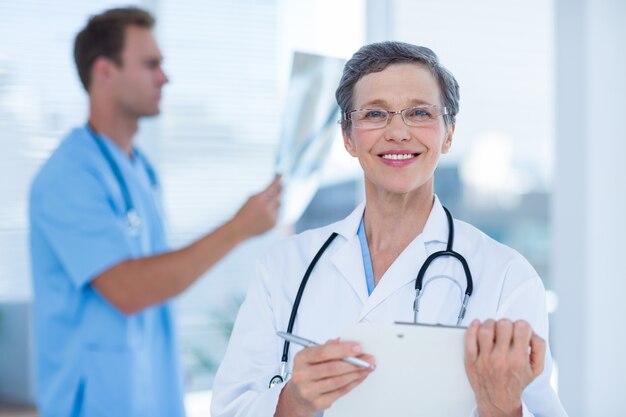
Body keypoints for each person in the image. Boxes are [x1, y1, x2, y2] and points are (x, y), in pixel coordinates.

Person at [210, 41, 568, 417]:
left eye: (418, 112)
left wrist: (501, 407)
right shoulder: (285, 267)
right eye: (375, 114)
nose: (397, 132)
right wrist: (293, 401)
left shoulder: (507, 277)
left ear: (448, 134)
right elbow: (231, 408)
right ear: (348, 137)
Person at [28, 7, 282, 417]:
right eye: (151, 65)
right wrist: (239, 227)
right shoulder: (67, 176)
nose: (165, 77)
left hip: (151, 397)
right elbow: (130, 290)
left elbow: (159, 283)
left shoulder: (140, 170)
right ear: (105, 71)